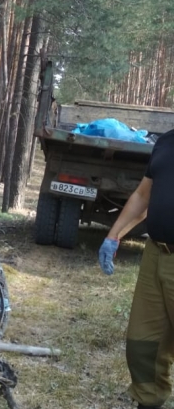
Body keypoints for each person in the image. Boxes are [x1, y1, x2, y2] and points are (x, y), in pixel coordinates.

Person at [99, 128, 174, 409]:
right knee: (143, 343)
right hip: (156, 254)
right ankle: (149, 401)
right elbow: (144, 195)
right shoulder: (166, 141)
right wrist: (113, 235)